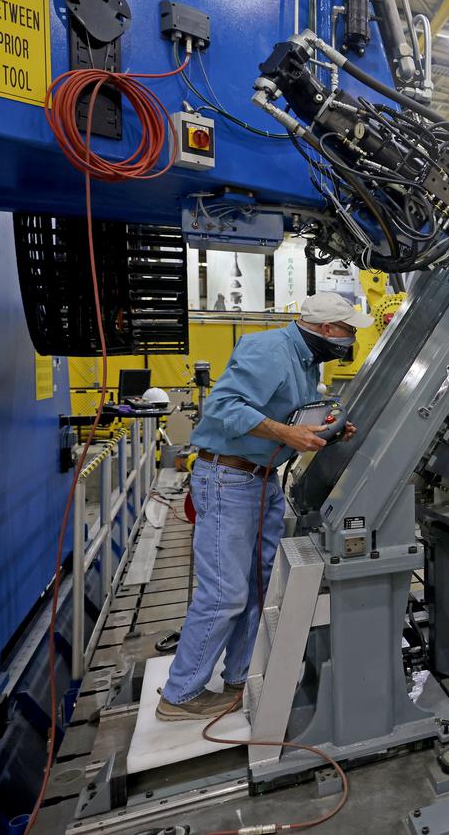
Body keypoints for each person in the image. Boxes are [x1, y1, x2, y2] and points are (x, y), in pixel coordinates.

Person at [157, 292, 373, 720]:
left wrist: (326, 430)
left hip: (260, 482)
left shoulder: (307, 362)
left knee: (259, 587)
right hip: (228, 482)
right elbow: (223, 407)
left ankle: (239, 675)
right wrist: (288, 436)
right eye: (349, 331)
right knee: (225, 593)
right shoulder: (270, 348)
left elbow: (289, 417)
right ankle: (179, 696)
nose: (350, 339)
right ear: (327, 329)